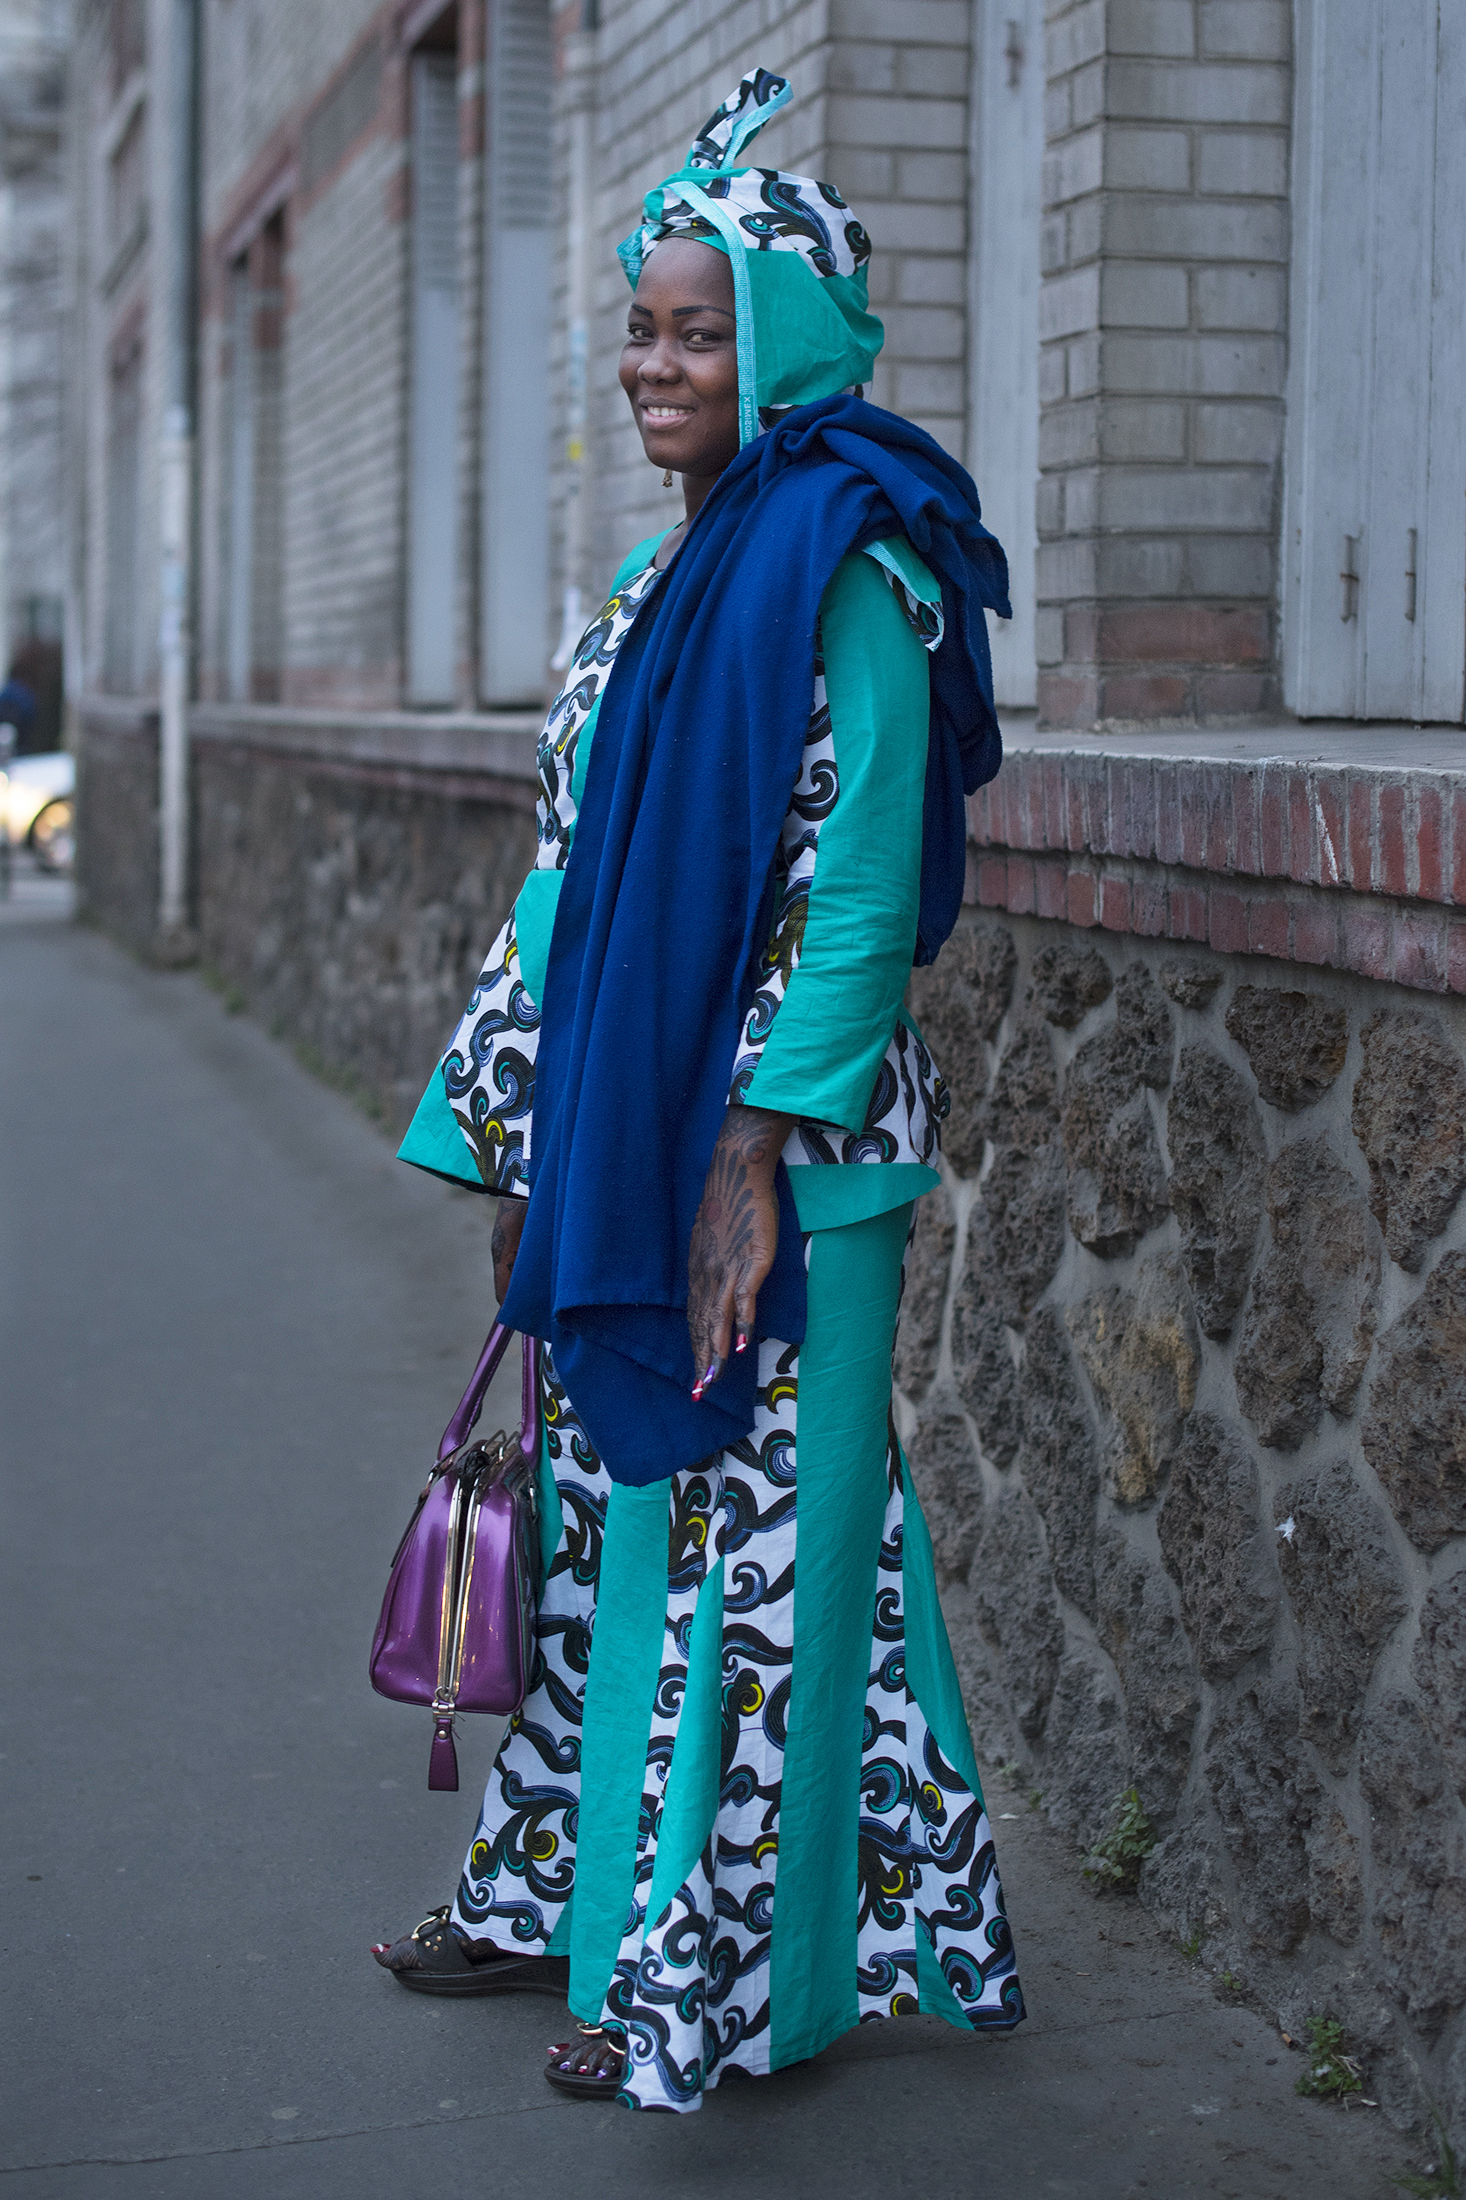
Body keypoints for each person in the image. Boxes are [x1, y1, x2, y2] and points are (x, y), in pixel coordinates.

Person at [374, 68, 1024, 2112]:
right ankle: (562, 1897)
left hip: (779, 1167)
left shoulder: (850, 558)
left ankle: (711, 1980)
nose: (651, 363)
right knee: (614, 1545)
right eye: (639, 328)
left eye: (694, 331)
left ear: (787, 345)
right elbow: (569, 878)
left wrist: (745, 1143)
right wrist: (521, 1133)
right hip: (620, 1138)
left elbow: (862, 887)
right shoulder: (656, 585)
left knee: (760, 1573)